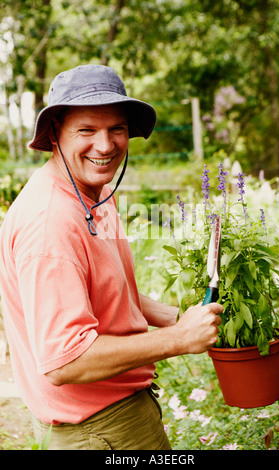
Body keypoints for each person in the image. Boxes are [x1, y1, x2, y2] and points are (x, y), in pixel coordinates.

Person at [0, 65, 222, 450]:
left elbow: (107, 289)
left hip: (117, 416)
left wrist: (173, 315)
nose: (105, 146)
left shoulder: (94, 190)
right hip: (98, 430)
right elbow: (65, 361)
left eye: (116, 129)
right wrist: (179, 338)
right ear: (55, 133)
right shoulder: (51, 222)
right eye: (86, 130)